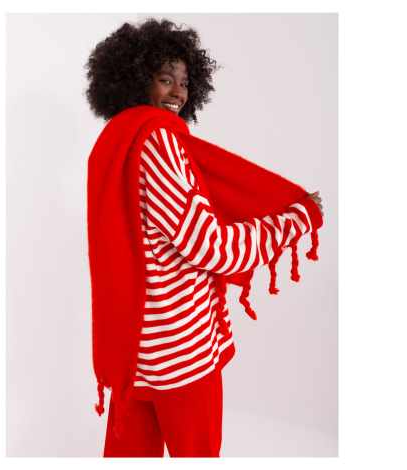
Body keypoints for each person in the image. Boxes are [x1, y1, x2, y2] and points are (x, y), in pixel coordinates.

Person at [84, 18, 324, 458]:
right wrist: (296, 219)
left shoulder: (116, 140)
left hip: (135, 349)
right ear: (135, 81)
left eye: (184, 82)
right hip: (181, 348)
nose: (178, 92)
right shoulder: (158, 140)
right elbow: (211, 247)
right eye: (165, 79)